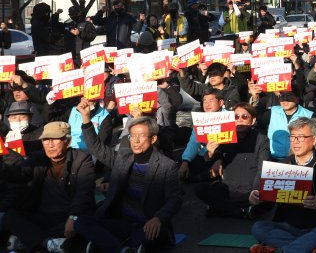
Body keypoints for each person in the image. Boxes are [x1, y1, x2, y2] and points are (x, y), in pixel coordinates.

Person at [74, 100, 183, 252]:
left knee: (151, 235)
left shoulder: (166, 165)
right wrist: (86, 119)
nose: (136, 141)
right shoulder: (123, 158)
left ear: (153, 139)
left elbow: (175, 199)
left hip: (148, 223)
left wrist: (159, 218)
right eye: (132, 136)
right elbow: (96, 148)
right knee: (81, 223)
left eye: (141, 136)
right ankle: (121, 249)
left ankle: (114, 245)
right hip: (122, 222)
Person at [249, 117, 316, 253]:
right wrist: (257, 199)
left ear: (314, 140)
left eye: (301, 137)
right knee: (258, 228)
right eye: (292, 137)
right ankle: (305, 247)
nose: (295, 142)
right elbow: (269, 203)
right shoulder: (282, 166)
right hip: (287, 227)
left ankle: (282, 250)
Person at [0, 122, 95, 252]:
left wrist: (73, 216)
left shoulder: (82, 159)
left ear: (68, 141)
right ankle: (48, 243)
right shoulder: (38, 157)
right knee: (9, 217)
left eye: (55, 139)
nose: (50, 145)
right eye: (45, 140)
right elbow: (20, 174)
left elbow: (83, 192)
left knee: (80, 225)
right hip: (42, 216)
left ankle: (31, 241)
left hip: (67, 217)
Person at [195, 103, 270, 218]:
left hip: (248, 190)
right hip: (227, 188)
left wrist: (254, 191)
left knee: (268, 197)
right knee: (200, 189)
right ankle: (241, 212)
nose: (239, 120)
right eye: (235, 117)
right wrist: (210, 153)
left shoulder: (261, 139)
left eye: (244, 117)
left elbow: (262, 168)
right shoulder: (225, 136)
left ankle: (219, 208)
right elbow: (211, 160)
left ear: (253, 120)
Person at [267, 91, 315, 161]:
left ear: (297, 99)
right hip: (273, 159)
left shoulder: (309, 115)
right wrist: (255, 97)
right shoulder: (273, 111)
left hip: (297, 161)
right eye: (282, 96)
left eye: (289, 96)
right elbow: (253, 119)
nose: (285, 99)